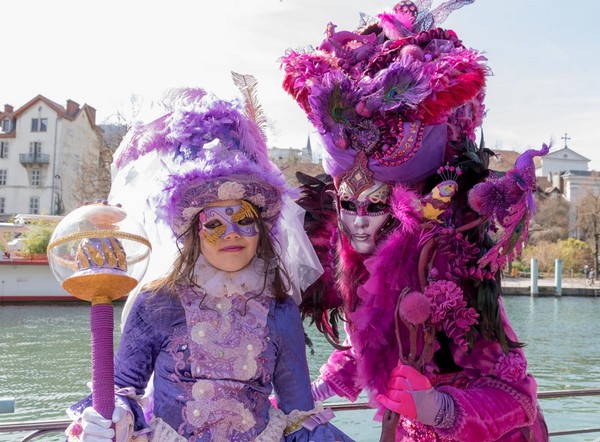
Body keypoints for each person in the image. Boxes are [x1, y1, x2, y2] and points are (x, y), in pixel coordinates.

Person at [281, 1, 549, 440]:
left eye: (376, 205)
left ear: (403, 205)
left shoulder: (443, 262)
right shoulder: (355, 264)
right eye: (351, 205)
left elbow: (517, 396)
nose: (361, 222)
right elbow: (370, 346)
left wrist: (441, 409)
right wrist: (308, 392)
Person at [65, 82, 353, 441]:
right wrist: (110, 419)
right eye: (214, 224)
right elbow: (122, 387)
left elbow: (297, 410)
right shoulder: (157, 302)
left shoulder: (281, 311)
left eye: (244, 221)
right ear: (194, 235)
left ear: (261, 231)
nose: (231, 234)